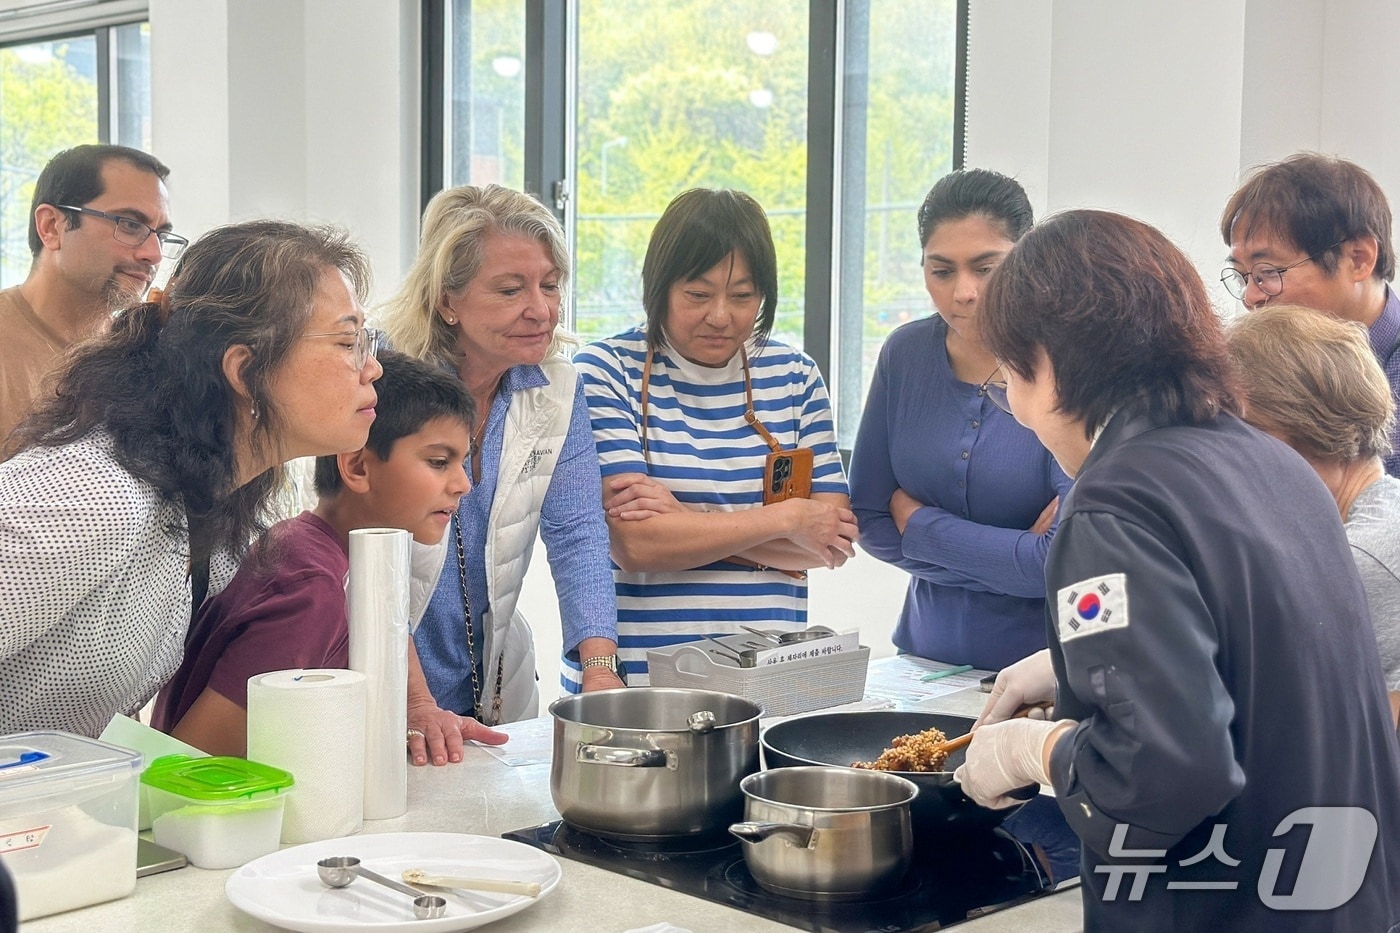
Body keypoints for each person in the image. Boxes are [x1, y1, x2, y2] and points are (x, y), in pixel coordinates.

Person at [957, 209, 1400, 930]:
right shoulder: (1274, 465)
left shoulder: (1113, 505)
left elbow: (1159, 774)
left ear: (1053, 363)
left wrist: (1035, 750)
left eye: (1009, 375)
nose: (1012, 403)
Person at [0, 220, 381, 738]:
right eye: (347, 342)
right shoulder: (100, 494)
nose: (372, 369)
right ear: (245, 373)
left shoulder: (219, 512)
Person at [152, 351, 509, 763]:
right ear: (357, 467)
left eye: (464, 462)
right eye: (438, 462)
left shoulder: (331, 554)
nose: (463, 484)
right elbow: (190, 765)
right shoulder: (310, 589)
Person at [574, 188, 857, 683]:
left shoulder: (794, 376)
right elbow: (635, 545)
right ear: (659, 287)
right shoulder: (605, 371)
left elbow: (827, 542)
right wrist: (787, 518)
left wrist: (684, 518)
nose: (722, 316)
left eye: (743, 296)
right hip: (638, 682)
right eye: (698, 295)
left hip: (769, 681)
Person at [382, 184, 622, 722]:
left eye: (551, 286)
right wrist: (415, 702)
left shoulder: (557, 389)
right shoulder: (383, 380)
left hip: (486, 670)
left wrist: (600, 666)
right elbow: (363, 556)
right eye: (511, 290)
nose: (541, 310)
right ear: (447, 299)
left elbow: (578, 531)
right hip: (382, 668)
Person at [848, 169, 1071, 670]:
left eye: (986, 268)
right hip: (923, 659)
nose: (963, 293)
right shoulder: (905, 354)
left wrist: (922, 525)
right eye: (942, 270)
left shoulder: (1065, 360)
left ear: (1025, 261)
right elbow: (871, 519)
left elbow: (1061, 561)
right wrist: (1014, 561)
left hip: (1046, 672)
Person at [1227, 304, 1400, 724]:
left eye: (1244, 436)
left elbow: (1338, 744)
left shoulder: (1359, 561)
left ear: (1310, 423)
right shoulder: (1380, 509)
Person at [1220, 152, 1400, 476]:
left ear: (1359, 259)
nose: (1250, 298)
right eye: (1242, 276)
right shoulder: (1254, 370)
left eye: (1268, 272)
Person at [1, 144, 183, 447]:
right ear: (51, 227)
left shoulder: (140, 354)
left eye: (161, 236)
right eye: (129, 224)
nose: (154, 254)